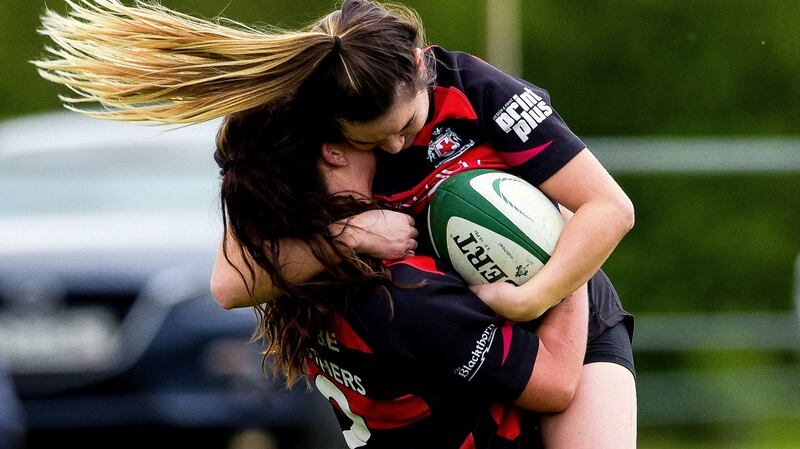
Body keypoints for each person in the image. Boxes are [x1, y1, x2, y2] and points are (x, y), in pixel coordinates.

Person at [34, 1, 636, 447]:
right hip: (450, 323)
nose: (404, 143)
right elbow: (230, 281)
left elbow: (610, 209)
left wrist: (536, 288)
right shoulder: (297, 136)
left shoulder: (474, 88)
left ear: (423, 66)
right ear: (330, 138)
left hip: (562, 295)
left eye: (411, 123)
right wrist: (350, 235)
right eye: (382, 139)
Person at [215, 102, 590, 448]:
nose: (391, 142)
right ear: (333, 150)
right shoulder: (404, 293)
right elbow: (556, 382)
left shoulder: (292, 270)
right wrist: (568, 245)